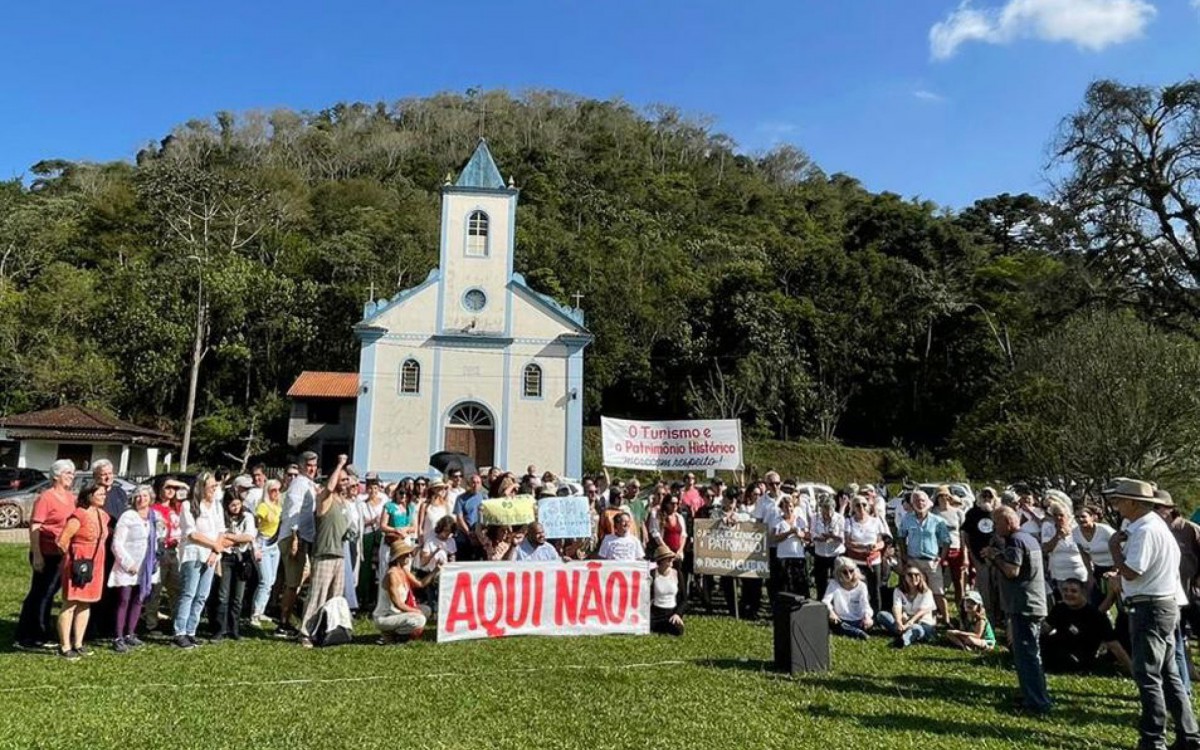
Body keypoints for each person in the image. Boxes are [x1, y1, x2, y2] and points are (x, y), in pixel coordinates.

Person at [1106, 479, 1200, 748]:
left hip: (1150, 607)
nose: (1117, 505)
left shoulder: (1145, 529)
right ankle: (1188, 736)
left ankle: (1153, 739)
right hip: (1165, 604)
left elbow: (1134, 570)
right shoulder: (1155, 526)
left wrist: (1115, 549)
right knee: (1169, 676)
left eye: (1120, 500)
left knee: (1148, 676)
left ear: (1134, 503)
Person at [983, 505, 1052, 715]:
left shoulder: (1015, 541)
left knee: (1027, 655)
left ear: (1009, 522)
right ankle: (1032, 694)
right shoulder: (1029, 538)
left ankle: (1037, 702)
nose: (995, 528)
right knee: (1029, 653)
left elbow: (1012, 571)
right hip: (1032, 602)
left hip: (1024, 605)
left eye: (997, 523)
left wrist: (994, 556)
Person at [15, 459, 76, 650]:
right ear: (56, 475)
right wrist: (37, 554)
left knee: (49, 593)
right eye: (67, 473)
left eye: (72, 473)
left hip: (61, 553)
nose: (71, 477)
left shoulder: (69, 497)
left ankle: (41, 631)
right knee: (40, 593)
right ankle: (28, 636)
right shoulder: (46, 497)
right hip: (45, 552)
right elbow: (35, 526)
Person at [299, 455, 353, 648]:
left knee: (334, 598)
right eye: (342, 479)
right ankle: (305, 632)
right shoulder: (324, 497)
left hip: (339, 554)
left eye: (347, 479)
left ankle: (327, 631)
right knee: (317, 595)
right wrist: (339, 464)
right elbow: (329, 488)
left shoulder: (343, 503)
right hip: (324, 554)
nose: (345, 482)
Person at [173, 471, 227, 649]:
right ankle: (180, 631)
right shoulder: (188, 505)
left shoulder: (217, 506)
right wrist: (215, 545)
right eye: (211, 486)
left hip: (210, 556)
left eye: (215, 486)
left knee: (202, 595)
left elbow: (221, 530)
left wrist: (215, 551)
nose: (214, 489)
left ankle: (191, 631)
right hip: (194, 554)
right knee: (189, 593)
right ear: (201, 488)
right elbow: (192, 533)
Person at [56, 484, 110, 659]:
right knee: (70, 603)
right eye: (99, 493)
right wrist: (71, 560)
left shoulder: (103, 516)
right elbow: (62, 540)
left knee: (86, 603)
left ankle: (78, 642)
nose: (103, 496)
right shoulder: (79, 515)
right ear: (89, 495)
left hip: (96, 563)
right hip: (79, 562)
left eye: (104, 493)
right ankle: (65, 645)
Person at [1041, 578, 1130, 673]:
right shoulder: (1059, 609)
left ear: (1083, 593)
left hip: (1081, 659)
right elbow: (1045, 629)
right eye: (1065, 590)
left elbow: (1114, 645)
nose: (1068, 594)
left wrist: (1131, 669)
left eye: (1073, 591)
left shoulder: (1095, 616)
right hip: (1059, 652)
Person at [108, 485, 157, 653]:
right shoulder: (128, 516)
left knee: (139, 599)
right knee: (124, 599)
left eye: (144, 496)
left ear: (150, 498)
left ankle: (131, 633)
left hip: (145, 566)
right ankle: (118, 636)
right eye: (138, 496)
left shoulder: (153, 517)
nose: (141, 499)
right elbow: (117, 543)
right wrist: (128, 564)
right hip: (127, 566)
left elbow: (156, 540)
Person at [278, 450, 318, 636]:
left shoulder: (308, 484)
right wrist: (295, 538)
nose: (312, 469)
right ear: (301, 466)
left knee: (300, 581)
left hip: (305, 537)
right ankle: (283, 623)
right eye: (308, 465)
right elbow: (293, 512)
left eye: (314, 465)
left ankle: (290, 615)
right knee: (293, 584)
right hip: (294, 537)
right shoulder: (298, 485)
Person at [898, 490, 951, 624]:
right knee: (916, 591)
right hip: (913, 560)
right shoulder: (907, 519)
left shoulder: (938, 521)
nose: (920, 503)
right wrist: (904, 555)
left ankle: (946, 620)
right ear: (912, 503)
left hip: (931, 561)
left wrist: (942, 558)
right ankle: (919, 617)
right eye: (916, 501)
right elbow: (901, 537)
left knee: (938, 592)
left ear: (927, 502)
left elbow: (946, 541)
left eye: (922, 500)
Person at [142, 477, 187, 635]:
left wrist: (177, 484)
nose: (171, 491)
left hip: (174, 552)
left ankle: (176, 621)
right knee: (156, 589)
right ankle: (151, 623)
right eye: (167, 487)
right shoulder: (154, 509)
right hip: (159, 552)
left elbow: (187, 490)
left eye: (173, 489)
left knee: (176, 588)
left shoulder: (178, 507)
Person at [213, 491, 256, 641]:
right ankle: (220, 629)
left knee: (238, 596)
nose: (236, 507)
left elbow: (249, 536)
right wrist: (239, 539)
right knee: (223, 595)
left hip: (241, 559)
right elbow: (221, 540)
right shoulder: (221, 518)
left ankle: (234, 629)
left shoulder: (247, 517)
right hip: (225, 558)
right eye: (232, 505)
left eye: (238, 504)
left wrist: (229, 537)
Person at [373, 540, 431, 644]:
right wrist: (416, 611)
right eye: (405, 554)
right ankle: (391, 634)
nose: (408, 556)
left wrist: (436, 570)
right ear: (398, 557)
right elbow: (398, 604)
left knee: (426, 610)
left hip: (397, 613)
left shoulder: (403, 570)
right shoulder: (392, 575)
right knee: (420, 619)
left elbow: (420, 584)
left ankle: (392, 632)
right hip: (385, 617)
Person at [963, 486, 1003, 625]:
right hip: (977, 556)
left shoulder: (999, 512)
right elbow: (966, 534)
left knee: (998, 587)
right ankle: (988, 616)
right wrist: (970, 552)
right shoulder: (972, 513)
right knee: (985, 588)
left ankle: (1000, 616)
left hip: (997, 556)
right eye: (984, 496)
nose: (986, 499)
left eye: (990, 496)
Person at [250, 478, 283, 627]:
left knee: (271, 580)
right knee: (265, 580)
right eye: (273, 490)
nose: (276, 493)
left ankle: (261, 610)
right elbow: (255, 525)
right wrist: (255, 546)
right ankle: (255, 614)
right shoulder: (263, 506)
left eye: (278, 490)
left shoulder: (279, 506)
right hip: (262, 544)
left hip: (274, 545)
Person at [846, 494, 887, 613]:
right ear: (853, 507)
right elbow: (848, 542)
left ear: (868, 506)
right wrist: (863, 547)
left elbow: (881, 542)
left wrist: (875, 547)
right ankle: (857, 613)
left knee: (875, 589)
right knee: (855, 588)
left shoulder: (876, 521)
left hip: (873, 560)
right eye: (857, 505)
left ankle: (876, 614)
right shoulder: (849, 522)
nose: (861, 507)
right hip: (856, 561)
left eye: (864, 504)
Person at [877, 565, 936, 648]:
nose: (914, 577)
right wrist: (898, 622)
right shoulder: (898, 591)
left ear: (921, 577)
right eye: (910, 575)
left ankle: (903, 640)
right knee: (881, 615)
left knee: (916, 628)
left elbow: (921, 613)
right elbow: (897, 607)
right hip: (905, 621)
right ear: (904, 577)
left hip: (923, 623)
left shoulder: (926, 592)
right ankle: (903, 631)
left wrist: (908, 623)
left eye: (917, 575)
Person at [1042, 497, 1089, 598]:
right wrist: (1058, 536)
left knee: (1083, 599)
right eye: (1055, 515)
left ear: (1067, 516)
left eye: (1061, 515)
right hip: (1060, 574)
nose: (1058, 518)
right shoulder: (1048, 529)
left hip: (1079, 573)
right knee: (1067, 600)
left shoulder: (1077, 529)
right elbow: (1046, 549)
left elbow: (1086, 549)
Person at [1073, 504, 1117, 608]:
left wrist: (1115, 570)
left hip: (1116, 568)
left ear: (1092, 517)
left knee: (1120, 604)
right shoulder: (1075, 533)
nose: (1080, 519)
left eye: (1083, 516)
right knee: (1097, 603)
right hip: (1098, 569)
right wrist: (1090, 574)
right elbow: (1084, 554)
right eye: (1077, 517)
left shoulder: (1105, 530)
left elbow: (1122, 548)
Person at [934, 486, 967, 617]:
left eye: (946, 495)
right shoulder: (933, 512)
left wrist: (965, 555)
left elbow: (962, 534)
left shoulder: (958, 513)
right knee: (938, 580)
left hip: (956, 548)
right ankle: (939, 608)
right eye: (941, 496)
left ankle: (961, 608)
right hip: (939, 549)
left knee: (958, 580)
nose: (944, 498)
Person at [356, 473, 388, 612]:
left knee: (380, 565)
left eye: (375, 488)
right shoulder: (362, 503)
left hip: (380, 535)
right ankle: (364, 597)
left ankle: (378, 598)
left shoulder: (384, 501)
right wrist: (372, 521)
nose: (373, 491)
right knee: (366, 567)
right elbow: (359, 521)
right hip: (367, 534)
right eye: (370, 487)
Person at [822, 557, 873, 640]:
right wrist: (831, 612)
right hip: (841, 619)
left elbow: (865, 604)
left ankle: (855, 631)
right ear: (838, 573)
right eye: (845, 572)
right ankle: (858, 633)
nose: (849, 575)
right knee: (834, 623)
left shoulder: (861, 586)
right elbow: (825, 601)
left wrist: (867, 617)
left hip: (859, 619)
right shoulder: (834, 584)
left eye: (851, 571)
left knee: (870, 623)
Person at [771, 496, 809, 597]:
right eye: (786, 507)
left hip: (798, 555)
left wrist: (801, 535)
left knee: (800, 583)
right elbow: (774, 538)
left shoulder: (800, 520)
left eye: (791, 506)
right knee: (786, 584)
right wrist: (789, 532)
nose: (789, 509)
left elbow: (807, 536)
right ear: (782, 508)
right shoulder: (777, 520)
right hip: (783, 556)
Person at [811, 495, 846, 601]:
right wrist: (818, 538)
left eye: (829, 512)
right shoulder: (815, 517)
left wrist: (832, 536)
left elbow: (842, 538)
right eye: (824, 512)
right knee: (821, 581)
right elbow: (812, 533)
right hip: (820, 553)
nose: (826, 515)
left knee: (837, 579)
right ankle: (821, 600)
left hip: (835, 553)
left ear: (833, 509)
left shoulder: (840, 518)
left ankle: (837, 601)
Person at [650, 545, 686, 636]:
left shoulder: (677, 574)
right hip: (655, 612)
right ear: (661, 561)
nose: (671, 560)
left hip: (671, 612)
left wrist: (678, 614)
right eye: (668, 558)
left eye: (671, 558)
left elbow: (684, 599)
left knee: (677, 630)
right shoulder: (653, 574)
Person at [453, 473, 487, 561]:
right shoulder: (461, 498)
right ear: (469, 484)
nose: (475, 485)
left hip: (480, 537)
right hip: (464, 536)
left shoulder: (485, 498)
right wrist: (469, 533)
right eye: (473, 482)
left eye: (478, 483)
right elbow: (459, 518)